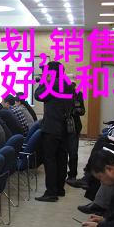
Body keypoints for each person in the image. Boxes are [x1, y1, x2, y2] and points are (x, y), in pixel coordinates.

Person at [34, 61, 74, 202]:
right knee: (61, 158)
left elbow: (38, 95)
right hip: (64, 128)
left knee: (50, 160)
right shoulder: (68, 84)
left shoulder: (53, 84)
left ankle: (51, 192)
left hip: (51, 128)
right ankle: (59, 189)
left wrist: (43, 82)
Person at [65, 90, 85, 186]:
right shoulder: (58, 91)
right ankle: (62, 173)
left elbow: (82, 111)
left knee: (73, 153)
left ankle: (72, 175)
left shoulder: (77, 94)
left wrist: (75, 110)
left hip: (73, 127)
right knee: (62, 153)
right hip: (60, 127)